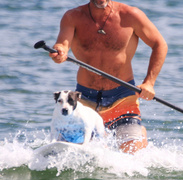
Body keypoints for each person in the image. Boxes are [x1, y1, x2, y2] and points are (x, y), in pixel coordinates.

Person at [49, 0, 168, 154]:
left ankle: (138, 132)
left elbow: (159, 44)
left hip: (123, 98)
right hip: (84, 100)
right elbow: (62, 45)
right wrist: (59, 52)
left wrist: (149, 83)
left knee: (132, 155)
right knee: (77, 154)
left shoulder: (131, 15)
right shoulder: (73, 17)